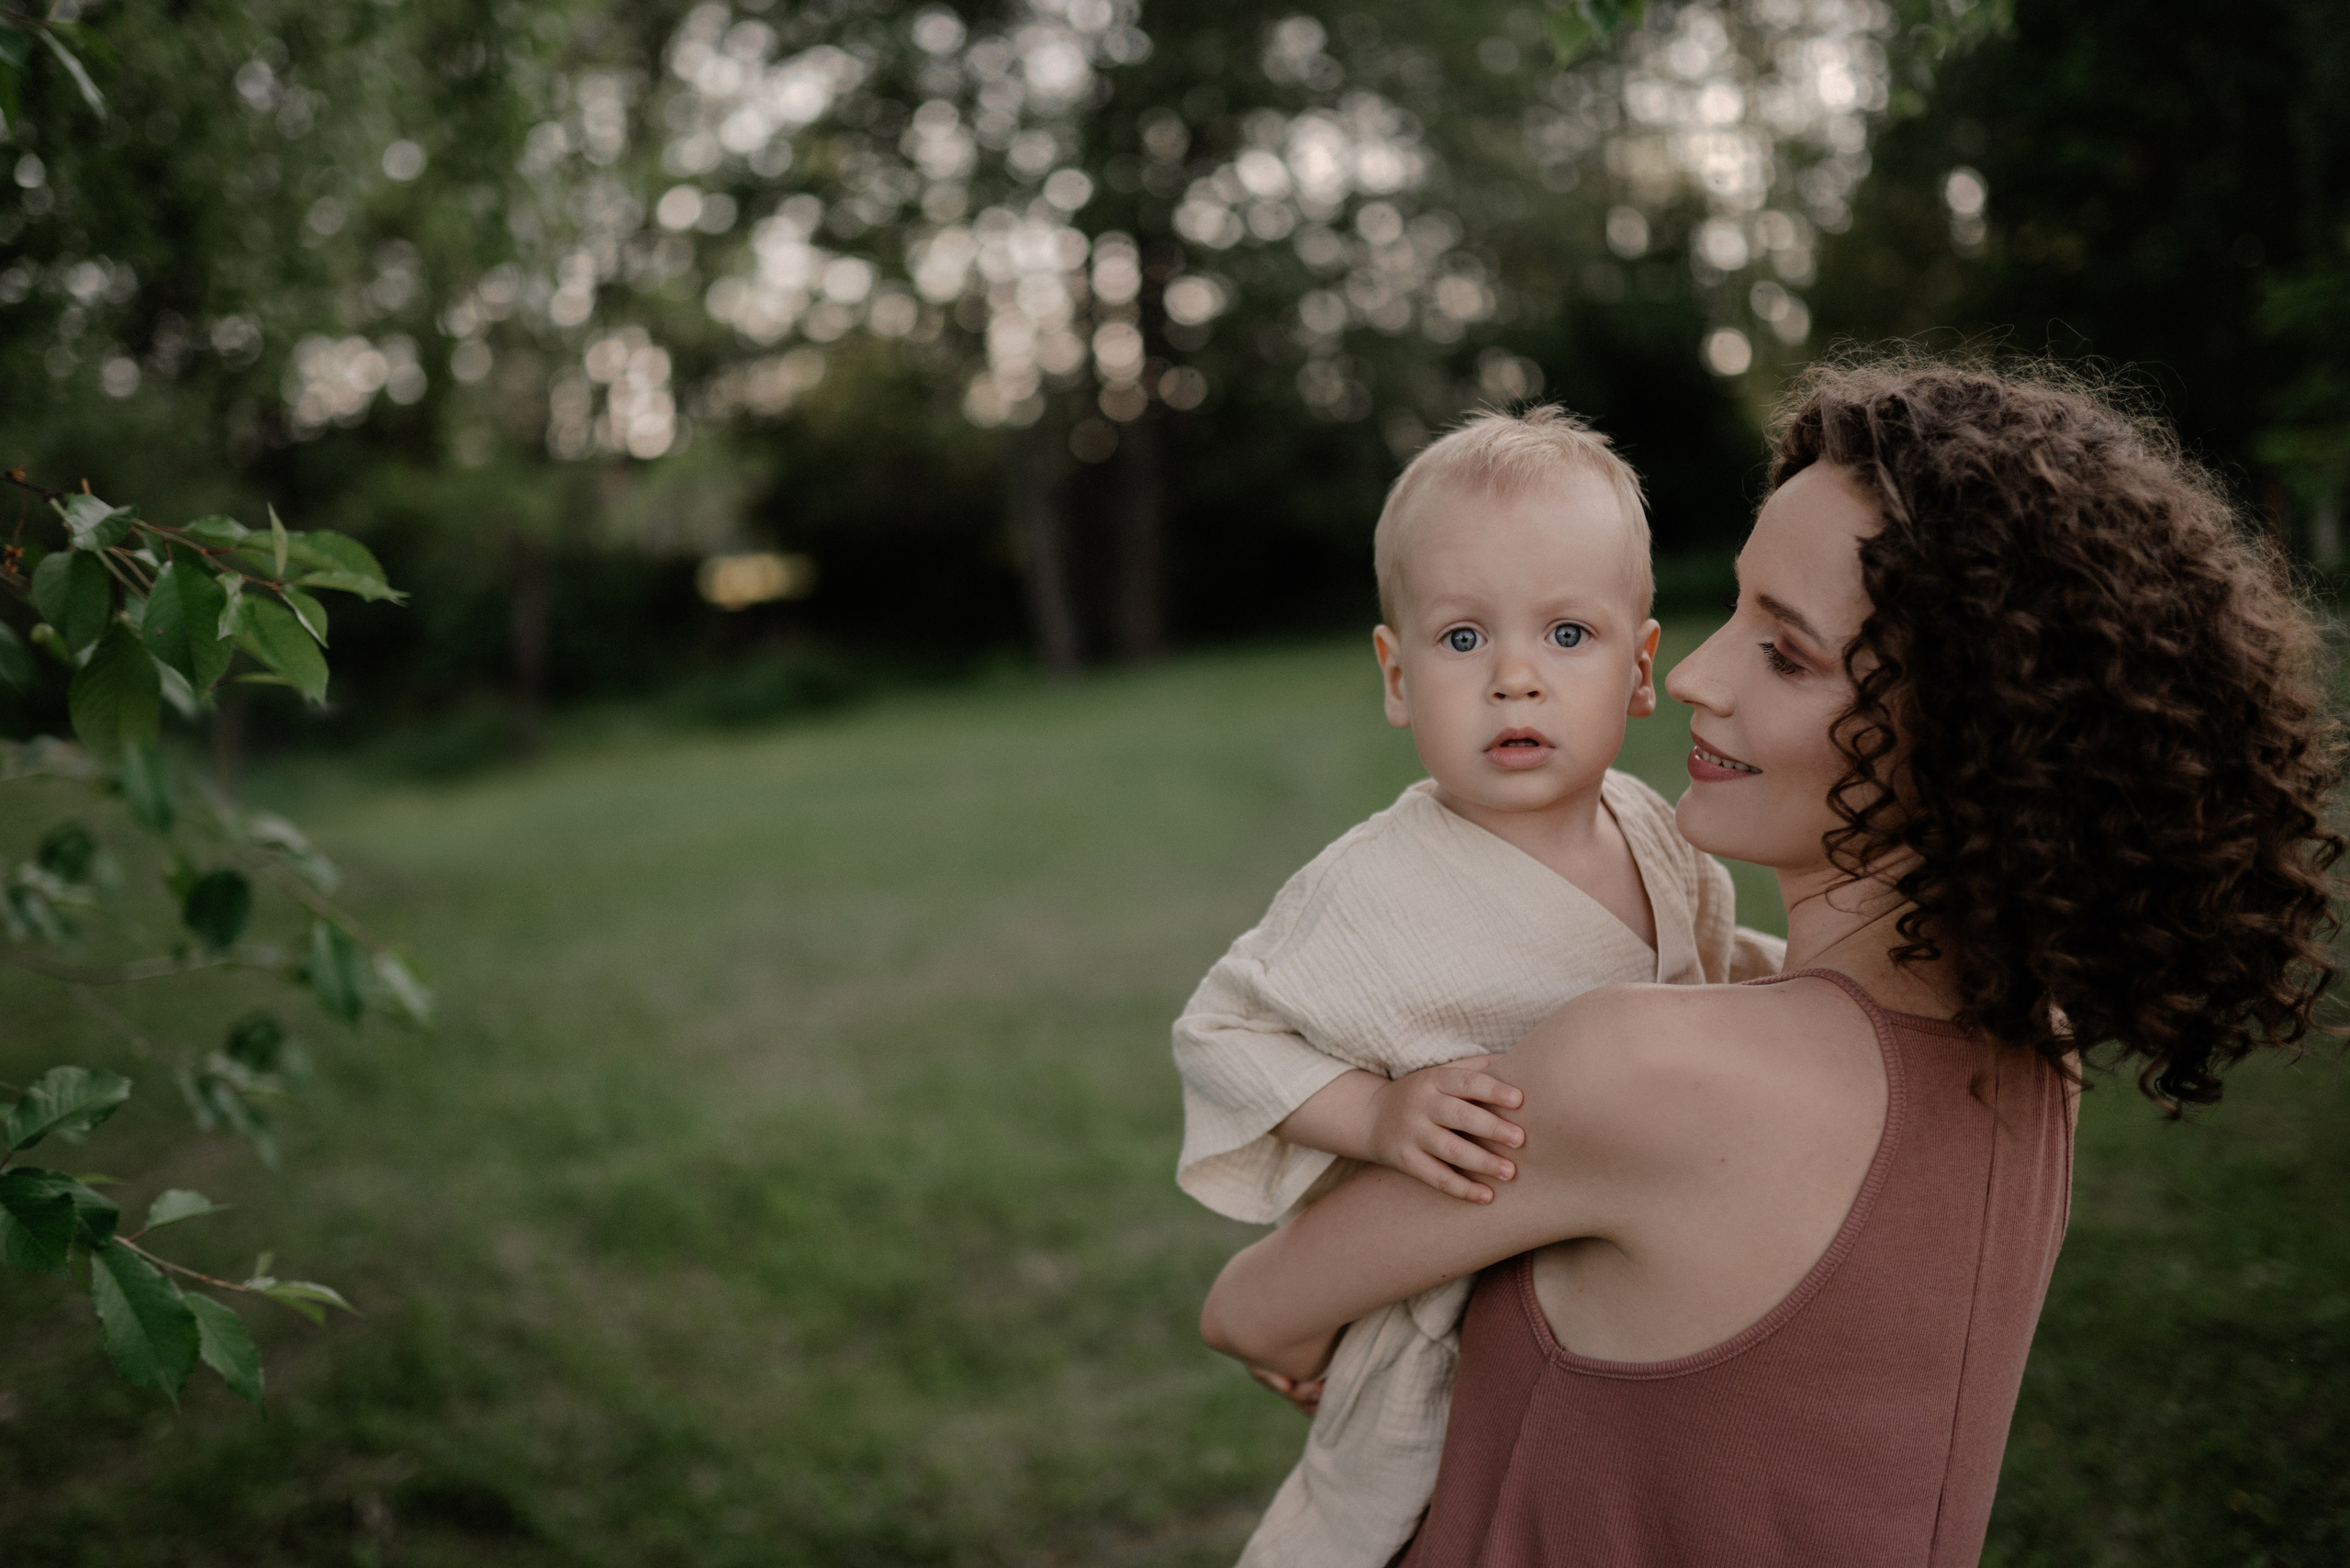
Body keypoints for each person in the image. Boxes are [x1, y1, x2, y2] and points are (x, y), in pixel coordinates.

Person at [1200, 358, 2344, 1566]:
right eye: (1737, 611)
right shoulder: (2030, 1044)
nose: (1695, 674)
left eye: (1784, 653)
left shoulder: (1646, 1071)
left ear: (1962, 733)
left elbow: (1251, 1312)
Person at [1173, 406, 1784, 1568]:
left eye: (1567, 633)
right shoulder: (1371, 888)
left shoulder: (1658, 832)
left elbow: (1715, 966)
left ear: (1639, 668)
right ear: (1396, 676)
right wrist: (1376, 1113)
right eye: (1462, 638)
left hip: (1619, 1286)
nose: (1513, 678)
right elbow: (1222, 1029)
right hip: (1435, 1309)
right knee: (1410, 1528)